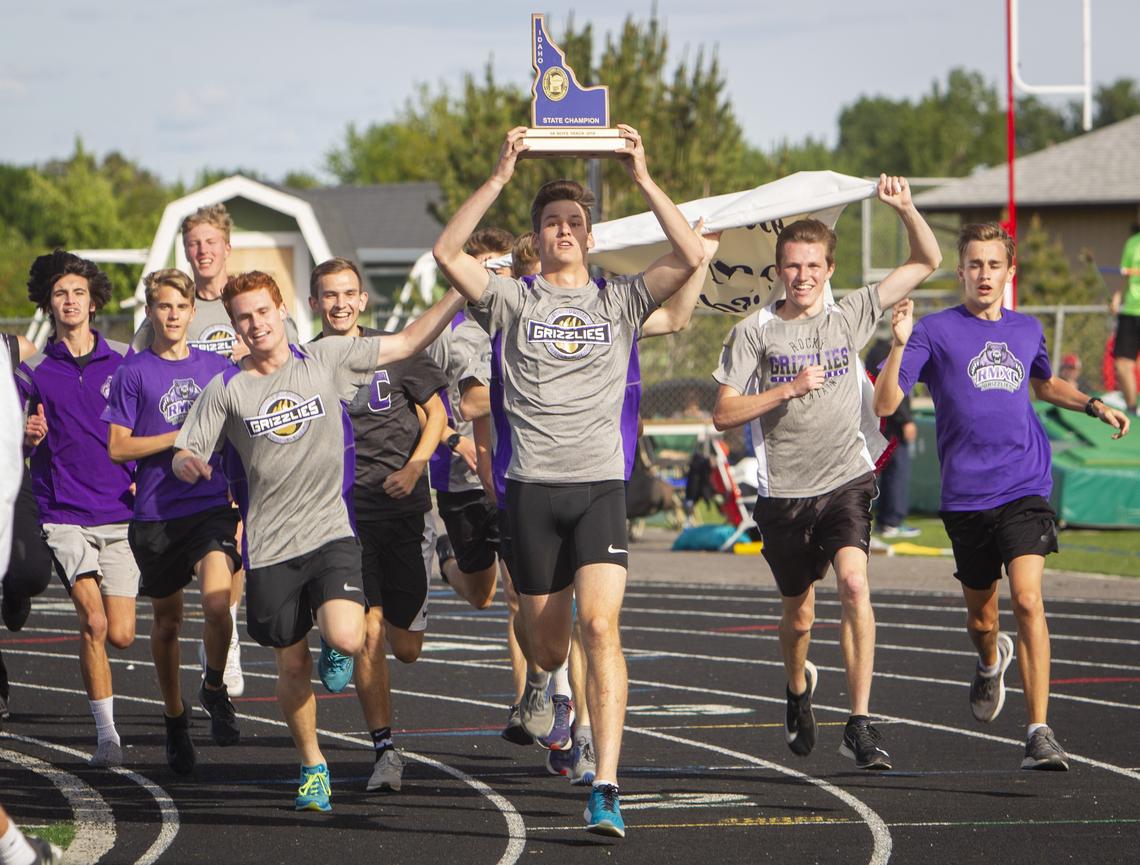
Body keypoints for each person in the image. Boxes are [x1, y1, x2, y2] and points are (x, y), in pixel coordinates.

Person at [433, 124, 707, 837]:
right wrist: (499, 173)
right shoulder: (512, 300)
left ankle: (607, 783)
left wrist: (643, 173)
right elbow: (446, 252)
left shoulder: (618, 301)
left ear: (589, 237)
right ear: (540, 235)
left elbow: (689, 255)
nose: (563, 229)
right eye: (552, 221)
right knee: (551, 645)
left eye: (574, 222)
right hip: (530, 489)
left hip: (598, 487)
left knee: (600, 626)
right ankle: (539, 683)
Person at [172, 270, 464, 811]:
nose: (255, 324)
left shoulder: (325, 361)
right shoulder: (227, 388)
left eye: (262, 312)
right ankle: (313, 766)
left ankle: (333, 629)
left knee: (352, 639)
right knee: (290, 666)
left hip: (331, 529)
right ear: (234, 324)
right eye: (243, 317)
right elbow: (188, 446)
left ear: (281, 310)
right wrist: (188, 461)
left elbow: (406, 342)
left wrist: (460, 289)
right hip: (272, 545)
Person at [872, 222, 1130, 771]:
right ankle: (990, 660)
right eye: (975, 265)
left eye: (994, 265)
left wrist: (1090, 403)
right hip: (966, 496)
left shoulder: (1028, 329)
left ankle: (1039, 730)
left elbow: (1042, 384)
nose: (984, 274)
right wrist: (897, 345)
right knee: (983, 620)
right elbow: (885, 402)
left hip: (1025, 485)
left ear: (1009, 273)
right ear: (960, 270)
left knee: (1029, 599)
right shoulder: (934, 331)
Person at [712, 176, 940, 772]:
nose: (803, 275)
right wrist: (785, 388)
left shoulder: (852, 312)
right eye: (792, 265)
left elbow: (927, 259)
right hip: (785, 492)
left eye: (814, 265)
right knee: (800, 615)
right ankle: (795, 688)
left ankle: (859, 723)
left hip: (847, 478)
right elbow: (723, 412)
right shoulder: (754, 332)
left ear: (829, 267)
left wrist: (905, 207)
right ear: (779, 270)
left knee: (856, 585)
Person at [132, 203, 296, 696]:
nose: (202, 252)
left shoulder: (245, 298)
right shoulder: (176, 303)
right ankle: (220, 639)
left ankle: (227, 632)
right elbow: (138, 371)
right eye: (193, 244)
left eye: (209, 242)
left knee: (236, 541)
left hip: (242, 438)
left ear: (226, 246)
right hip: (189, 451)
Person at [308, 257, 448, 793]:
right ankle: (385, 750)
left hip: (404, 512)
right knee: (365, 634)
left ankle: (348, 627)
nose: (340, 303)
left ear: (362, 300)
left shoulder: (396, 351)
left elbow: (437, 415)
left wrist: (415, 467)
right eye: (329, 294)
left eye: (348, 294)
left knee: (406, 648)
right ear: (316, 302)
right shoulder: (307, 360)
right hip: (343, 515)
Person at [103, 268, 241, 775]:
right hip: (157, 513)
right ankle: (174, 717)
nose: (173, 315)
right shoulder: (134, 371)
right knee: (167, 623)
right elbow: (118, 446)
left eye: (181, 307)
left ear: (191, 311)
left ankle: (213, 686)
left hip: (209, 505)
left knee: (218, 601)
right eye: (163, 306)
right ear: (151, 312)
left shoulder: (216, 367)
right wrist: (178, 437)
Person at [16, 251, 139, 766]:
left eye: (78, 293)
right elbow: (9, 433)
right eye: (61, 293)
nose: (70, 301)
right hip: (62, 513)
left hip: (120, 511)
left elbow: (147, 423)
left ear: (93, 302)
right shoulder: (37, 369)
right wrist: (24, 436)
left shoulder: (125, 360)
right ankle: (107, 736)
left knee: (122, 633)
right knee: (91, 624)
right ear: (50, 303)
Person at [428, 228, 529, 744]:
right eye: (482, 269)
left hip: (515, 475)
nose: (492, 278)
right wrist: (451, 440)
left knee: (519, 596)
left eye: (500, 268)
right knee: (480, 594)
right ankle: (445, 556)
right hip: (460, 480)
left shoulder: (527, 323)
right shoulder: (447, 335)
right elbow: (427, 408)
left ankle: (522, 704)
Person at [1, 333, 53, 723]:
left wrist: (31, 429)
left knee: (33, 573)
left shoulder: (10, 349)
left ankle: (15, 590)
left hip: (11, 478)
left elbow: (36, 356)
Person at [865, 333, 920, 538]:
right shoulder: (886, 351)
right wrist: (906, 419)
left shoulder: (876, 350)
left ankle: (885, 520)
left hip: (880, 423)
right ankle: (891, 521)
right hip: (890, 424)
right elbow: (890, 391)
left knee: (886, 473)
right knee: (896, 472)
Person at [1112, 222, 1140, 416]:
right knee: (1122, 364)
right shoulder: (1132, 243)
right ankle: (1132, 409)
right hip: (1131, 311)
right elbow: (1126, 275)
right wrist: (1117, 296)